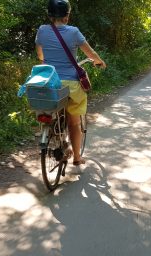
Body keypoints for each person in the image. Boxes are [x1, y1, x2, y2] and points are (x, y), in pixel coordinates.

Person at [35, 0, 106, 165]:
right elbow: (90, 53)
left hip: (48, 83)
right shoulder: (73, 32)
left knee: (52, 112)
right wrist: (99, 61)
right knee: (74, 123)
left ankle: (57, 135)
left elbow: (40, 56)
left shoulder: (42, 30)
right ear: (67, 16)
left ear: (49, 15)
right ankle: (77, 157)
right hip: (70, 84)